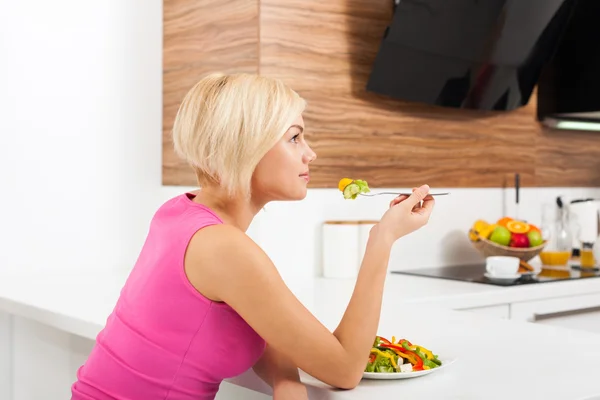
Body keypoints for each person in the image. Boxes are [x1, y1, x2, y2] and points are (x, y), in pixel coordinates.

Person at [70, 72, 435, 400]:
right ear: (243, 147)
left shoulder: (178, 214)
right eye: (294, 138)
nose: (311, 153)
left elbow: (253, 318)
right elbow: (344, 369)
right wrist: (382, 238)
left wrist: (286, 378)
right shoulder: (224, 247)